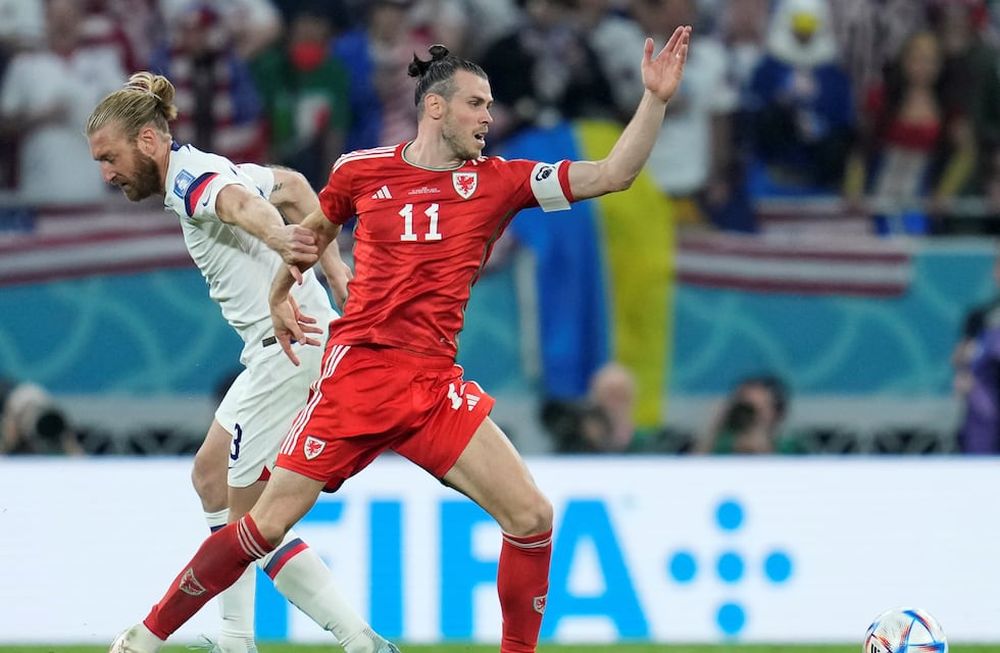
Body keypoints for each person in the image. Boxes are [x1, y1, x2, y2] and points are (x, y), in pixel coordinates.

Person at [108, 28, 691, 653]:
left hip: (433, 386)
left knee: (533, 518)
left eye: (491, 106)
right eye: (476, 104)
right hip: (356, 379)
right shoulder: (360, 171)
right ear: (435, 107)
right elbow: (312, 231)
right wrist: (281, 293)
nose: (489, 118)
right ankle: (144, 639)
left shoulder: (501, 181)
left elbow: (613, 174)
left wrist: (654, 100)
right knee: (261, 526)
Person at [87, 72, 397, 653]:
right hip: (277, 353)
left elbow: (238, 207)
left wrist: (282, 242)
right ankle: (246, 637)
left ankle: (344, 641)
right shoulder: (209, 164)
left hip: (291, 353)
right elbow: (296, 187)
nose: (106, 173)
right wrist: (336, 271)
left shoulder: (191, 181)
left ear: (148, 141)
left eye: (110, 158)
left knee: (250, 524)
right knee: (211, 476)